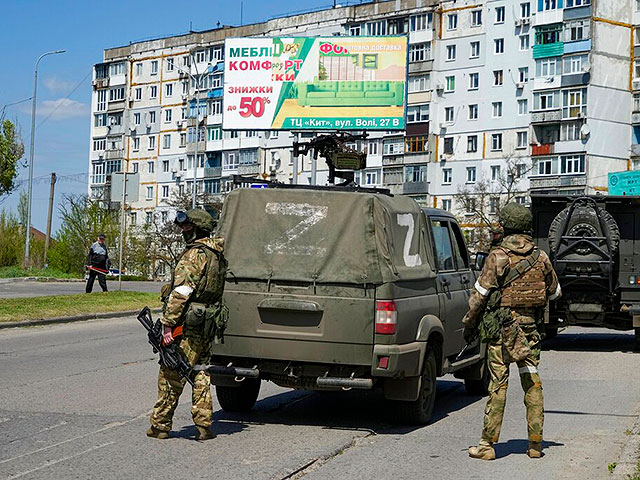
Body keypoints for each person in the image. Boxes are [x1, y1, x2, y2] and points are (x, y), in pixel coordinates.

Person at [462, 203, 561, 460]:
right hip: (530, 333)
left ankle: (486, 446)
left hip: (502, 335)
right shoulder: (541, 257)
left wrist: (469, 325)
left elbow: (479, 298)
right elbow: (555, 292)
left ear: (504, 227)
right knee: (532, 383)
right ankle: (535, 445)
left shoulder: (497, 257)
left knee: (498, 386)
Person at [147, 209, 226, 441]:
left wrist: (168, 324)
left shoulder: (195, 255)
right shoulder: (216, 253)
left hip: (188, 326)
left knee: (172, 372)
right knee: (200, 372)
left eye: (186, 227)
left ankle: (160, 425)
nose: (183, 231)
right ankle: (204, 424)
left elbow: (181, 292)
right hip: (206, 324)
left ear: (196, 230)